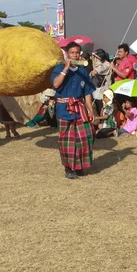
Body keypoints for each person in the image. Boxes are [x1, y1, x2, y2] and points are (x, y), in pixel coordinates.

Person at [51, 42, 96, 179]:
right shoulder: (59, 68)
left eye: (77, 52)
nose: (75, 55)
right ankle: (69, 168)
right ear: (67, 54)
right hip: (64, 109)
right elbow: (56, 84)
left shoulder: (83, 71)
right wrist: (65, 69)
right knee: (67, 140)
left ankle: (79, 166)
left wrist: (90, 110)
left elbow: (87, 92)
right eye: (72, 53)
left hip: (79, 108)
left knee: (84, 137)